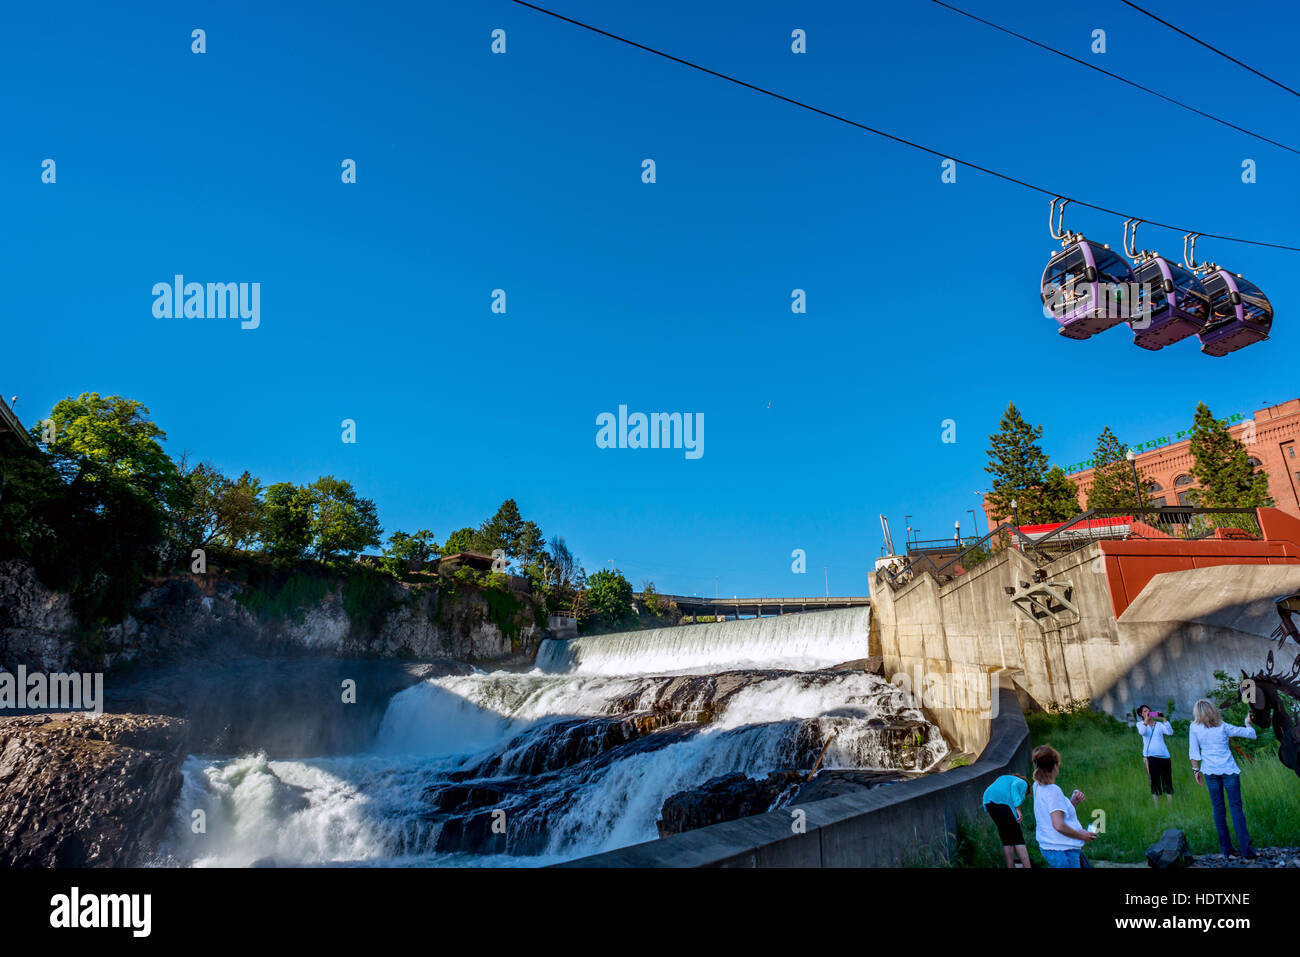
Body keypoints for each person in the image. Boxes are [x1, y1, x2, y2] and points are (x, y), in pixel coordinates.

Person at [1188, 698, 1257, 860]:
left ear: (1197, 713)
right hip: (1228, 771)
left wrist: (1196, 770)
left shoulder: (1194, 727)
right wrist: (1248, 722)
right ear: (1212, 710)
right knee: (1236, 810)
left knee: (1218, 810)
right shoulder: (1223, 726)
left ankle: (1227, 851)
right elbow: (1250, 735)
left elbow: (1193, 751)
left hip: (1210, 772)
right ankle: (1247, 851)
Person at [1032, 744, 1097, 868]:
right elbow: (1059, 825)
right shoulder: (1053, 790)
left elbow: (1052, 814)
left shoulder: (1038, 786)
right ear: (1055, 766)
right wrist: (1081, 835)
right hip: (1062, 850)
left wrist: (1073, 803)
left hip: (1052, 847)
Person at [982, 772, 1030, 868]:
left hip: (989, 801)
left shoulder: (1005, 779)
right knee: (1017, 837)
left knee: (1006, 837)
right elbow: (1015, 787)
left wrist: (1014, 811)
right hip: (1001, 802)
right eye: (1025, 793)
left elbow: (1007, 800)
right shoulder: (1022, 782)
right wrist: (1018, 808)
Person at [1136, 704, 1174, 806]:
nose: (1147, 712)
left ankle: (1170, 805)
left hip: (1165, 756)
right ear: (1141, 714)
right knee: (1154, 780)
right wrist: (1146, 721)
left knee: (1167, 780)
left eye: (1149, 710)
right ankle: (1157, 806)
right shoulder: (1140, 724)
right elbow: (1142, 732)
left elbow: (1170, 732)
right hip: (1151, 757)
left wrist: (1164, 719)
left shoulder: (1160, 725)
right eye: (1144, 711)